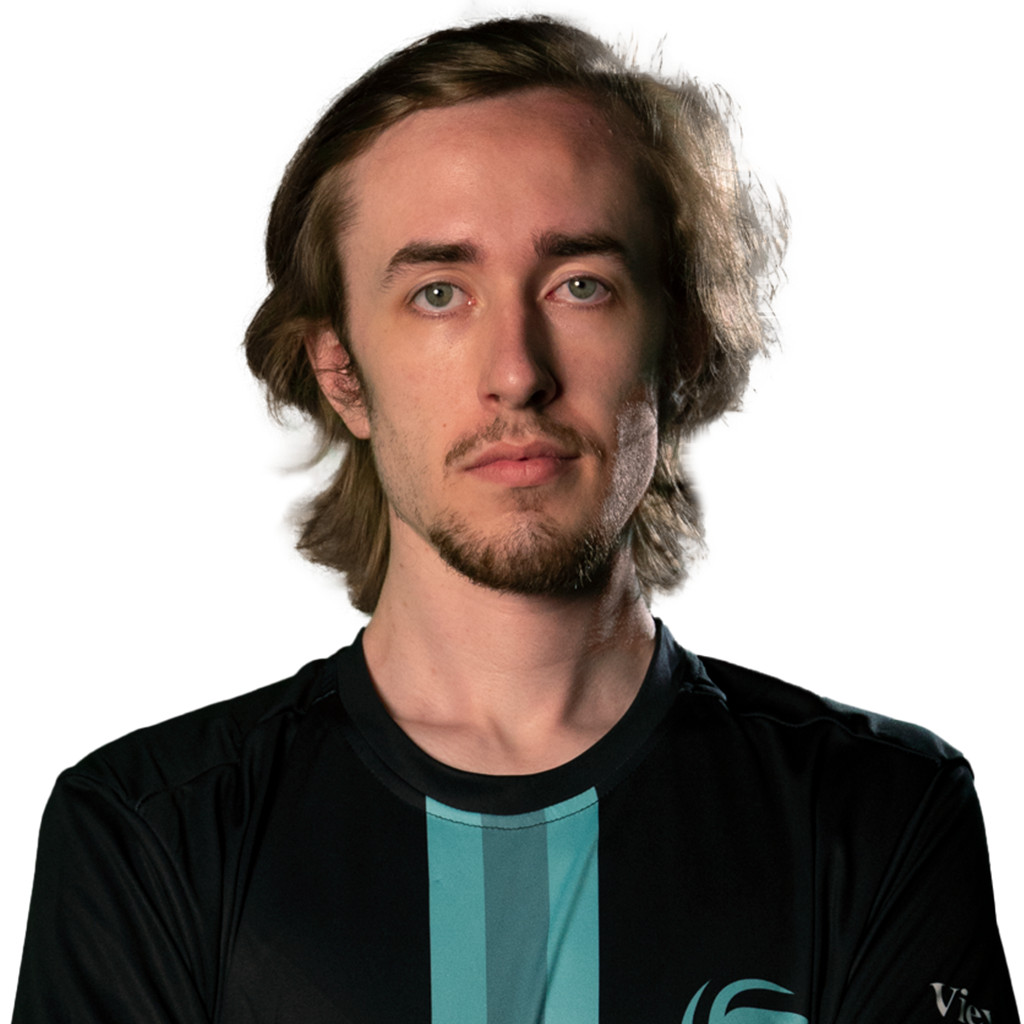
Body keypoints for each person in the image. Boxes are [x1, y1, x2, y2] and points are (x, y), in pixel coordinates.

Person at [22, 21, 995, 1023]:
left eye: (580, 285)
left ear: (681, 344)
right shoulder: (156, 837)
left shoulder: (876, 822)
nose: (517, 373)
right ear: (342, 373)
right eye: (439, 293)